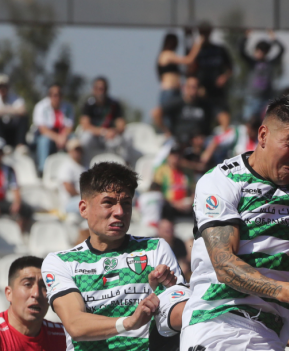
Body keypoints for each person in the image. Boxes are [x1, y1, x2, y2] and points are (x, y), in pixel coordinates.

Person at [180, 95, 289, 351]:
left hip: (270, 334)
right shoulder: (223, 180)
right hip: (217, 323)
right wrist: (285, 291)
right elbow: (224, 265)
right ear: (263, 136)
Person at [40, 162, 189, 351]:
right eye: (108, 203)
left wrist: (161, 289)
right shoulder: (61, 262)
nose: (119, 212)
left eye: (126, 203)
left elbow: (180, 314)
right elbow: (75, 324)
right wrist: (129, 322)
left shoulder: (155, 248)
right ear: (83, 208)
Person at [0, 256, 66, 351]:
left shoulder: (63, 335)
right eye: (27, 284)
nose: (36, 294)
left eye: (44, 286)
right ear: (9, 293)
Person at [239, 29, 285, 120]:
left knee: (265, 124)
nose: (260, 53)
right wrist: (246, 36)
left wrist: (273, 37)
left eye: (263, 52)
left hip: (266, 99)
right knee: (250, 122)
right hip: (252, 98)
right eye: (259, 51)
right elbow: (241, 50)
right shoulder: (252, 62)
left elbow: (281, 50)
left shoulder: (270, 63)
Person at [79, 77, 127, 159]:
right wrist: (103, 132)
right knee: (85, 138)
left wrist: (113, 131)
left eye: (103, 89)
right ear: (93, 89)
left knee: (123, 140)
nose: (101, 92)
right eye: (99, 89)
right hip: (95, 137)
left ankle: (117, 167)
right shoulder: (88, 104)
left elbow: (121, 125)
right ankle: (85, 166)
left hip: (110, 137)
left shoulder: (114, 104)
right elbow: (85, 126)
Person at [189, 22, 233, 112]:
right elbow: (190, 69)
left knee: (223, 112)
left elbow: (230, 67)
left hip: (218, 90)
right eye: (202, 32)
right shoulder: (195, 51)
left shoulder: (219, 49)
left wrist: (224, 77)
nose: (204, 35)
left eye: (206, 32)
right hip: (202, 90)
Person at [156, 76, 210, 145]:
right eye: (191, 87)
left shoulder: (204, 105)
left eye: (196, 87)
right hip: (180, 142)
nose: (194, 90)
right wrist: (166, 130)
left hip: (199, 143)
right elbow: (157, 113)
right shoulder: (177, 103)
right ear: (185, 87)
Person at [33, 84, 74, 173]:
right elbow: (42, 129)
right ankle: (42, 169)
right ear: (49, 96)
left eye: (59, 95)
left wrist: (63, 137)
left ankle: (75, 167)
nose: (57, 98)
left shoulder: (68, 107)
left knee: (74, 140)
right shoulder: (40, 107)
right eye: (55, 95)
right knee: (44, 141)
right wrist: (58, 138)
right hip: (46, 135)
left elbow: (69, 126)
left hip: (62, 135)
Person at [0, 74, 29, 149]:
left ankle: (20, 145)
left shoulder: (16, 98)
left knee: (24, 119)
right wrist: (13, 110)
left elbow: (23, 111)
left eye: (4, 86)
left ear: (8, 86)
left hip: (12, 131)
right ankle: (1, 145)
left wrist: (2, 110)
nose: (2, 89)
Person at [157, 32, 203, 103]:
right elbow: (189, 60)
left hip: (176, 91)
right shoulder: (166, 54)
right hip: (169, 92)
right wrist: (197, 44)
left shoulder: (170, 56)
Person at [153, 147, 192, 218]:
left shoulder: (186, 172)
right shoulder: (162, 171)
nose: (176, 158)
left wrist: (191, 201)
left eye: (178, 156)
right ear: (169, 157)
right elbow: (157, 190)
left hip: (185, 205)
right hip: (168, 205)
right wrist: (174, 204)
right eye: (174, 155)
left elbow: (192, 191)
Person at [57, 139, 86, 216]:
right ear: (69, 151)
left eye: (79, 149)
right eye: (75, 150)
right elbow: (68, 187)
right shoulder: (66, 166)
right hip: (69, 202)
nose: (78, 152)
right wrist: (84, 196)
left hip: (82, 199)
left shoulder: (85, 166)